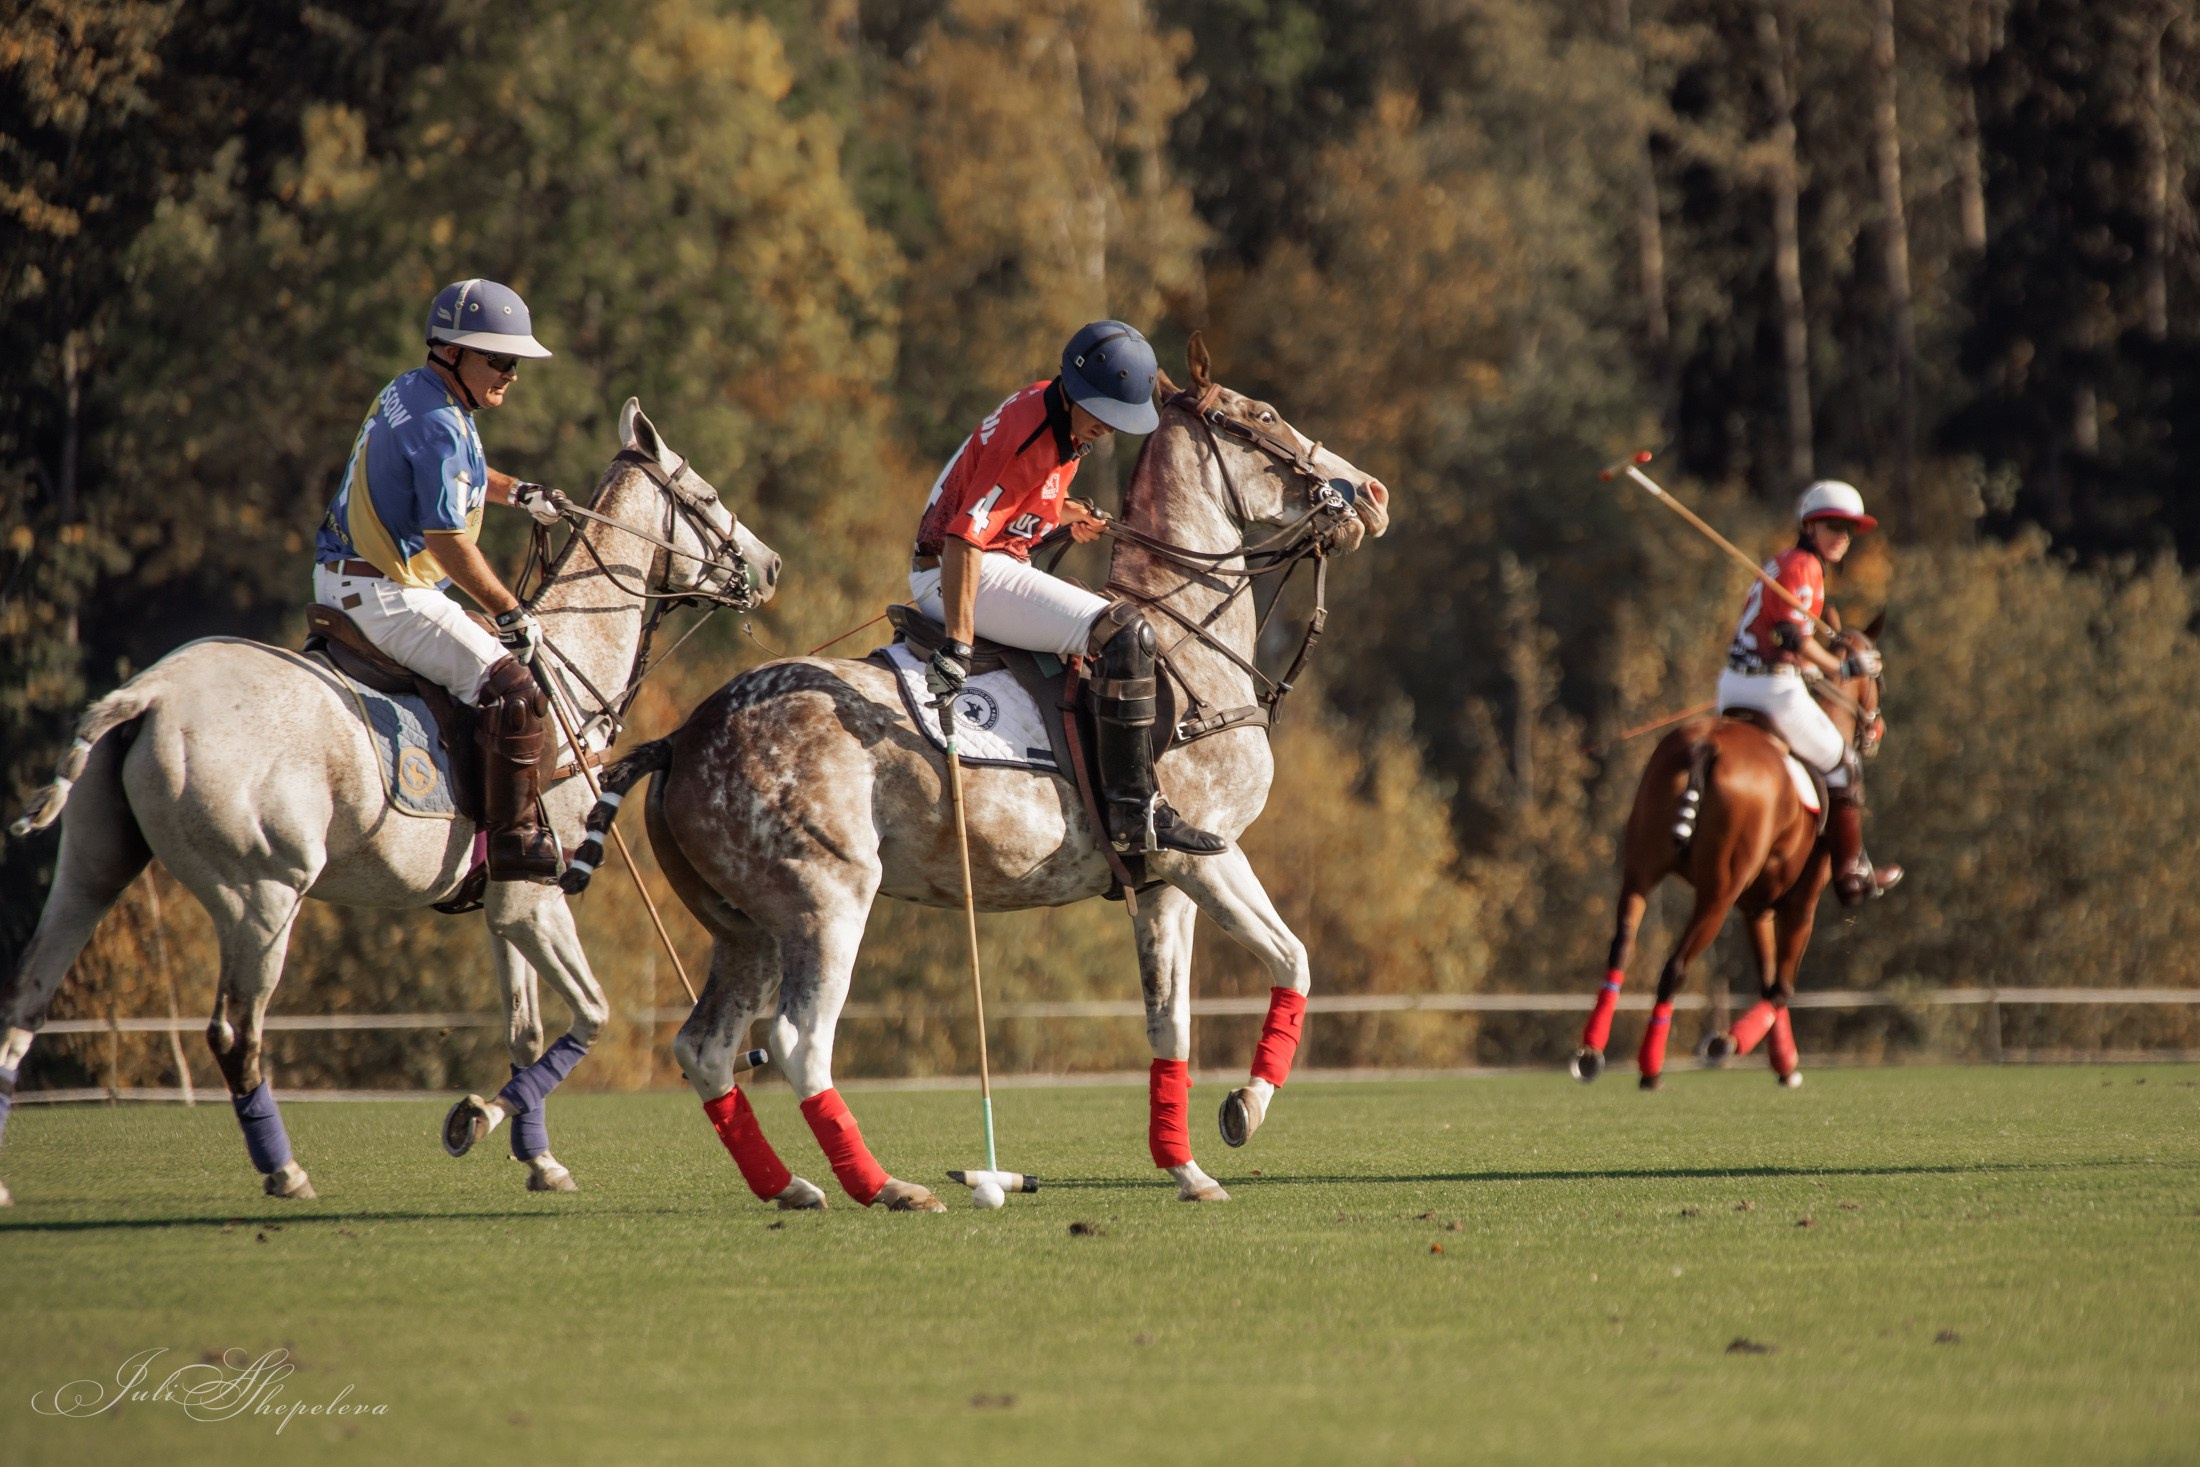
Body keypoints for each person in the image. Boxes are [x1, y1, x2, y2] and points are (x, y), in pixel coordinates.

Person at [911, 320, 1225, 856]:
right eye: (1103, 413)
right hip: (962, 573)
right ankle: (1137, 810)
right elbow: (965, 536)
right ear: (1077, 391)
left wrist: (1061, 517)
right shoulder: (1031, 438)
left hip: (987, 561)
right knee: (1127, 634)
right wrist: (956, 647)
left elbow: (1014, 501)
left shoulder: (1050, 409)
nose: (1108, 428)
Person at [313, 278, 574, 882]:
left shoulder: (413, 389)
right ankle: (510, 843)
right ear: (453, 352)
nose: (511, 373)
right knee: (514, 687)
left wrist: (520, 493)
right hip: (387, 596)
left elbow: (461, 474)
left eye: (516, 362)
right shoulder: (444, 424)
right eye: (500, 359)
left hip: (341, 575)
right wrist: (511, 611)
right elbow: (449, 542)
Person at [1717, 479, 1902, 904]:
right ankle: (1852, 871)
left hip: (1734, 685)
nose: (1841, 537)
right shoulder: (1805, 567)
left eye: (1848, 530)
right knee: (1847, 765)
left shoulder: (1782, 563)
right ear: (1809, 526)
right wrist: (1842, 666)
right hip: (1771, 689)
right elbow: (1792, 638)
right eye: (1832, 525)